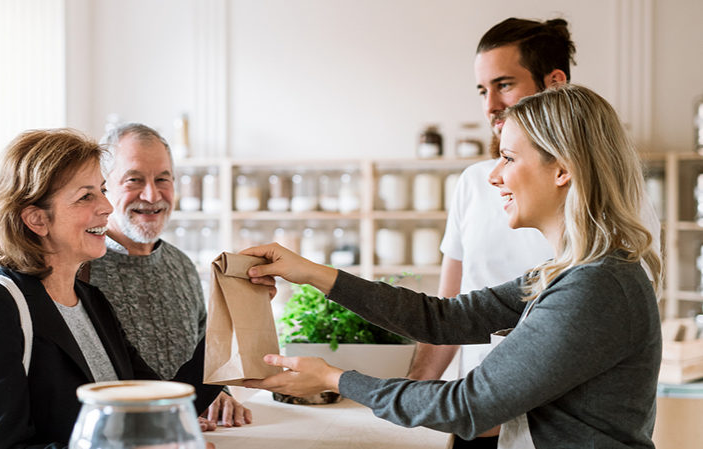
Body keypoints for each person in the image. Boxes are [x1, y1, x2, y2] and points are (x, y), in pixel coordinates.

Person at [242, 84, 662, 448]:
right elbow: (443, 318)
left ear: (563, 170)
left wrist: (333, 378)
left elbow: (466, 405)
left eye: (509, 158)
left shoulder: (595, 286)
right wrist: (313, 272)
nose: (494, 176)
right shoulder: (568, 272)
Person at [408, 18, 661, 448]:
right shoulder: (475, 182)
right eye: (482, 90)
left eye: (504, 85)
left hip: (541, 429)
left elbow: (609, 331)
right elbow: (449, 312)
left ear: (555, 83)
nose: (490, 105)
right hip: (466, 418)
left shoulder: (619, 209)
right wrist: (413, 401)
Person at [0, 128, 221, 449]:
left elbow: (155, 398)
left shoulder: (91, 301)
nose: (106, 206)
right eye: (86, 196)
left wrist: (232, 317)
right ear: (37, 219)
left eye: (102, 190)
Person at [84, 122, 252, 429]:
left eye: (163, 179)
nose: (151, 195)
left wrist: (217, 394)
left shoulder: (183, 265)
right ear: (103, 187)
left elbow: (204, 347)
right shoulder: (81, 270)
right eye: (134, 180)